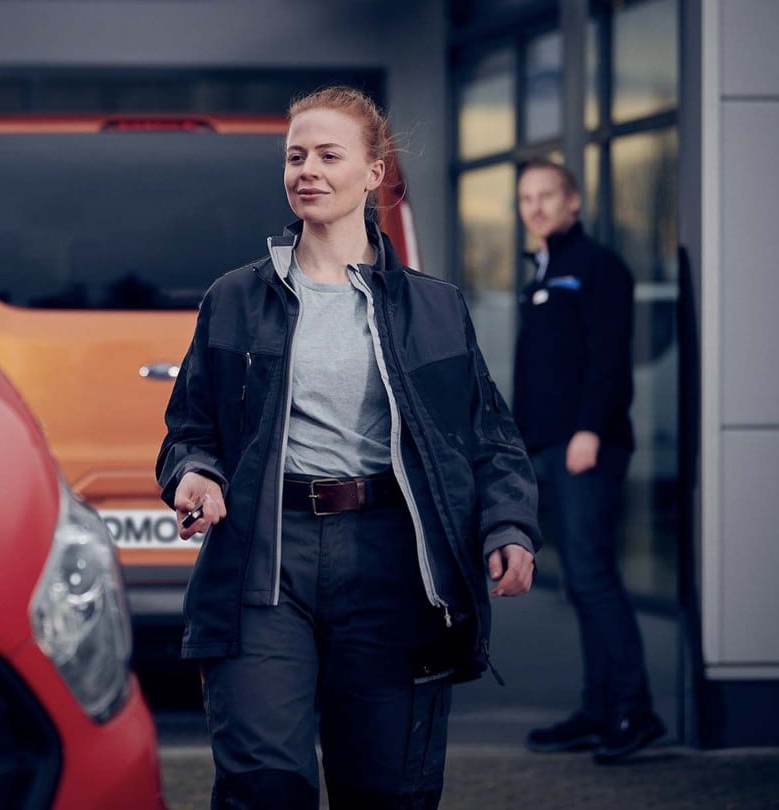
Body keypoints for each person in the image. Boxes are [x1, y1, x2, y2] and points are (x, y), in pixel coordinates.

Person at [156, 86, 540, 809]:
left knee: (388, 790)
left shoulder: (435, 307)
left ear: (373, 172)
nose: (308, 170)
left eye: (329, 155)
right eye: (295, 156)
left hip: (392, 562)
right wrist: (197, 475)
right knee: (263, 783)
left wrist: (510, 525)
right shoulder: (236, 299)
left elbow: (489, 437)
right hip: (266, 561)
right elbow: (191, 428)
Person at [514, 158, 665, 763]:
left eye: (548, 195)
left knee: (594, 577)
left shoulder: (598, 267)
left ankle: (635, 711)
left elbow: (608, 359)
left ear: (573, 201)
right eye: (527, 198)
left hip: (587, 446)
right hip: (548, 447)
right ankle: (599, 708)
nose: (537, 206)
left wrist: (588, 430)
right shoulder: (541, 273)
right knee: (578, 581)